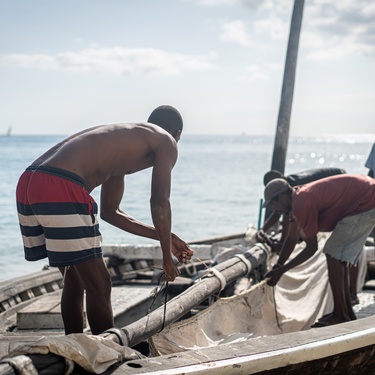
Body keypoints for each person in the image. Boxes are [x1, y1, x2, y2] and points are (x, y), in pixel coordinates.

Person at [16, 105, 194, 335]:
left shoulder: (124, 139)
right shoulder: (167, 141)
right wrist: (167, 258)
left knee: (74, 280)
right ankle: (106, 359)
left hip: (29, 183)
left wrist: (166, 237)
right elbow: (160, 202)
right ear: (177, 134)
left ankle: (77, 348)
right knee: (100, 284)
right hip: (61, 184)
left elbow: (111, 212)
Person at [263, 174, 375, 326]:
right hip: (365, 197)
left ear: (282, 197)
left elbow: (311, 248)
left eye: (273, 204)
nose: (274, 209)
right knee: (336, 255)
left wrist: (283, 270)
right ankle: (346, 312)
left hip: (367, 200)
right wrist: (278, 265)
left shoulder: (301, 203)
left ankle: (341, 314)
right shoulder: (296, 200)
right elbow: (291, 239)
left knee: (332, 253)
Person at [257, 167, 346, 253]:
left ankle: (283, 241)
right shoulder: (286, 188)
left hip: (340, 179)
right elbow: (278, 212)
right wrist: (263, 229)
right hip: (337, 182)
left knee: (290, 210)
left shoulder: (293, 186)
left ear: (282, 178)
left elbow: (286, 211)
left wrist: (283, 243)